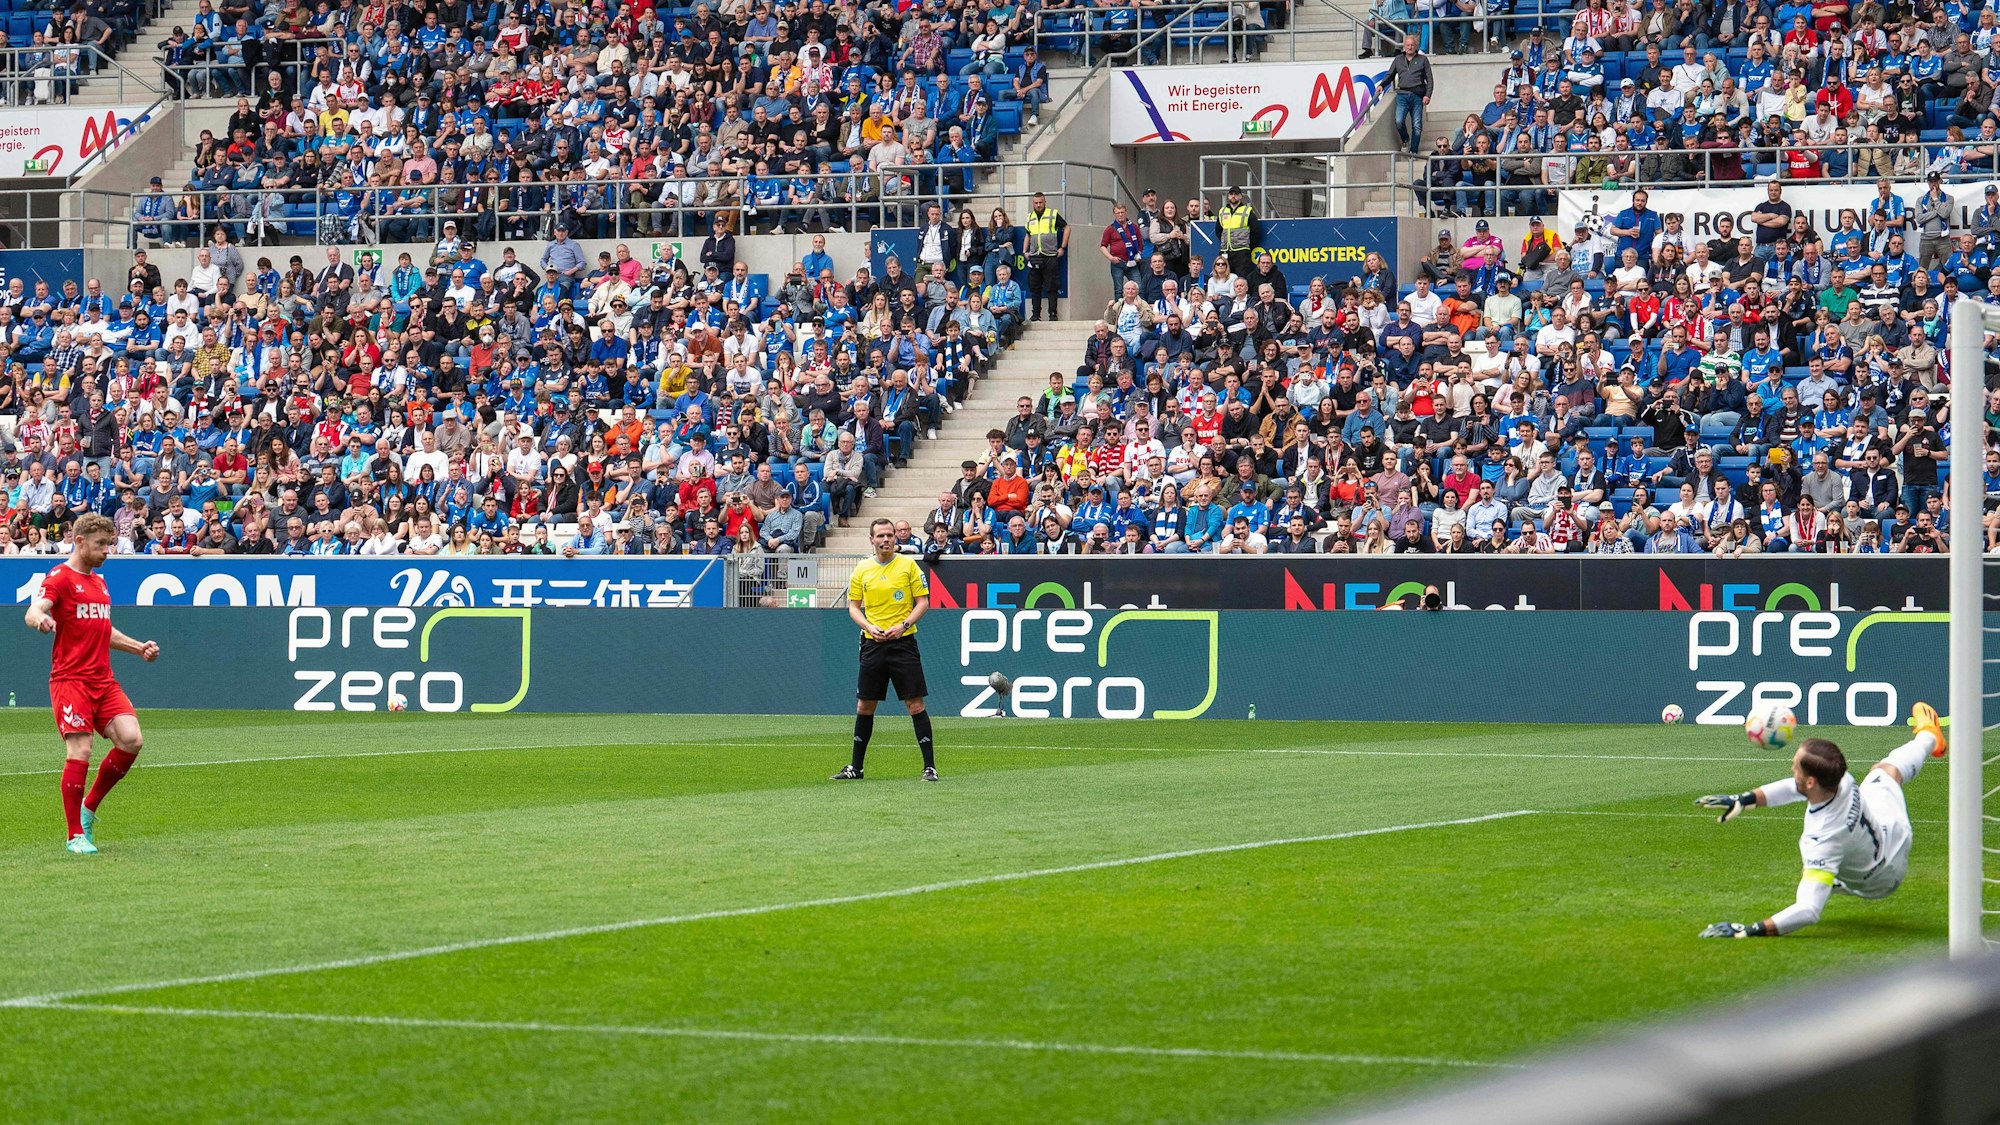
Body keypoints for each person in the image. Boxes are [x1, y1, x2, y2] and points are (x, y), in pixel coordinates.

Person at [1695, 704, 1947, 939]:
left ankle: (1834, 880)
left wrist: (1750, 930)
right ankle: (1930, 737)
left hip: (1880, 880)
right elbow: (1796, 787)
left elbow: (1809, 910)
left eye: (1795, 767)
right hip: (1892, 829)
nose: (1792, 769)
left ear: (1811, 781)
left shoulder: (1822, 839)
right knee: (1885, 771)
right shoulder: (1841, 778)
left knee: (1814, 874)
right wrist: (1745, 799)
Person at [23, 512, 160, 854]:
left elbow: (103, 629)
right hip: (71, 680)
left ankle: (89, 807)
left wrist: (137, 647)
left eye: (109, 545)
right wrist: (39, 618)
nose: (106, 552)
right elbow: (34, 609)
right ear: (79, 541)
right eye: (100, 545)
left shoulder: (99, 583)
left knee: (131, 739)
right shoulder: (60, 577)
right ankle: (74, 835)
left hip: (103, 680)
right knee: (81, 750)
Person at [832, 518, 938, 782]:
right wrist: (869, 626)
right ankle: (856, 767)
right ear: (871, 540)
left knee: (915, 704)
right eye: (880, 536)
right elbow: (854, 607)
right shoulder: (862, 570)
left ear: (895, 538)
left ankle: (929, 767)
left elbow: (923, 602)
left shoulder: (908, 565)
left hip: (903, 643)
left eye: (889, 535)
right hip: (873, 644)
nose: (886, 540)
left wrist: (904, 625)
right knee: (865, 705)